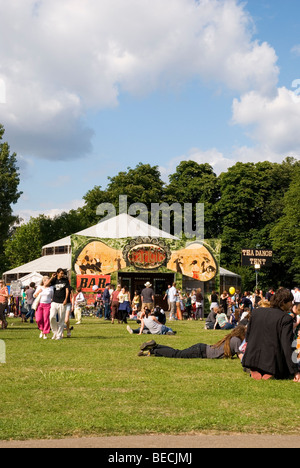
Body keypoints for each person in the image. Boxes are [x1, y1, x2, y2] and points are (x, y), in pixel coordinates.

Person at [243, 288, 300, 382]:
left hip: (251, 358)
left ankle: (256, 369)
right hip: (271, 362)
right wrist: (295, 370)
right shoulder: (286, 319)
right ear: (283, 303)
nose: (292, 304)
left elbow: (248, 337)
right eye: (290, 302)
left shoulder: (257, 312)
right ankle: (269, 372)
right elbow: (287, 346)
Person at [138, 326, 246, 359]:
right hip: (200, 352)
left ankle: (154, 349)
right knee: (177, 354)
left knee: (177, 352)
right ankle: (155, 348)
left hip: (202, 348)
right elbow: (241, 357)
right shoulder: (236, 341)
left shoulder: (232, 339)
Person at [46, 269, 71, 341]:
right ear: (57, 273)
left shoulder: (65, 280)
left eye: (63, 273)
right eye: (61, 273)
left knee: (61, 319)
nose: (62, 274)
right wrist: (51, 277)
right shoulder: (54, 280)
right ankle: (55, 332)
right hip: (54, 301)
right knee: (51, 317)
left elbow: (67, 290)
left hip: (62, 302)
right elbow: (46, 285)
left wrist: (66, 299)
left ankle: (59, 335)